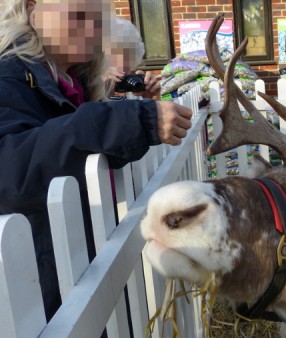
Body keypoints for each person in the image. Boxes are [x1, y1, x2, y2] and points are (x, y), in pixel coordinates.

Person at [0, 0, 193, 319]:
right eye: (77, 15)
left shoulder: (73, 80)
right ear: (32, 8)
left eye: (98, 19)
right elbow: (10, 169)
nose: (91, 30)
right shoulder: (9, 73)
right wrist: (133, 122)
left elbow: (71, 146)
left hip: (73, 270)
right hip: (38, 289)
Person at [104, 17, 161, 100]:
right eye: (111, 58)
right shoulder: (83, 94)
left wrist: (151, 99)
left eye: (126, 59)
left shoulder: (134, 96)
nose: (119, 66)